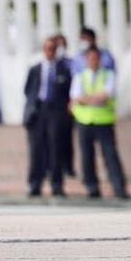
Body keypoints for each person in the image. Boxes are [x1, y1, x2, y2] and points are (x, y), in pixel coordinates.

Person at [71, 46, 129, 199]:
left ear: (100, 59)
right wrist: (93, 99)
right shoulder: (81, 76)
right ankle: (92, 188)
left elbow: (105, 96)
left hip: (104, 121)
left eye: (96, 58)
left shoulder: (108, 75)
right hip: (84, 121)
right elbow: (76, 98)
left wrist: (86, 99)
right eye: (90, 58)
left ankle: (119, 187)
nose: (93, 61)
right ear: (86, 60)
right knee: (87, 157)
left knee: (110, 155)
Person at [23, 36, 74, 197]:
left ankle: (57, 185)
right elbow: (27, 90)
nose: (50, 52)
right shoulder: (35, 69)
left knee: (55, 149)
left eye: (53, 49)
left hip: (56, 112)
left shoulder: (64, 69)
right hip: (38, 111)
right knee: (36, 150)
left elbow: (69, 92)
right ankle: (35, 184)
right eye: (47, 49)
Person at [52, 33, 76, 178]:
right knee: (52, 141)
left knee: (67, 139)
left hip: (66, 107)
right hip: (51, 108)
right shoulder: (47, 64)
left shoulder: (70, 63)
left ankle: (68, 167)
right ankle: (54, 167)